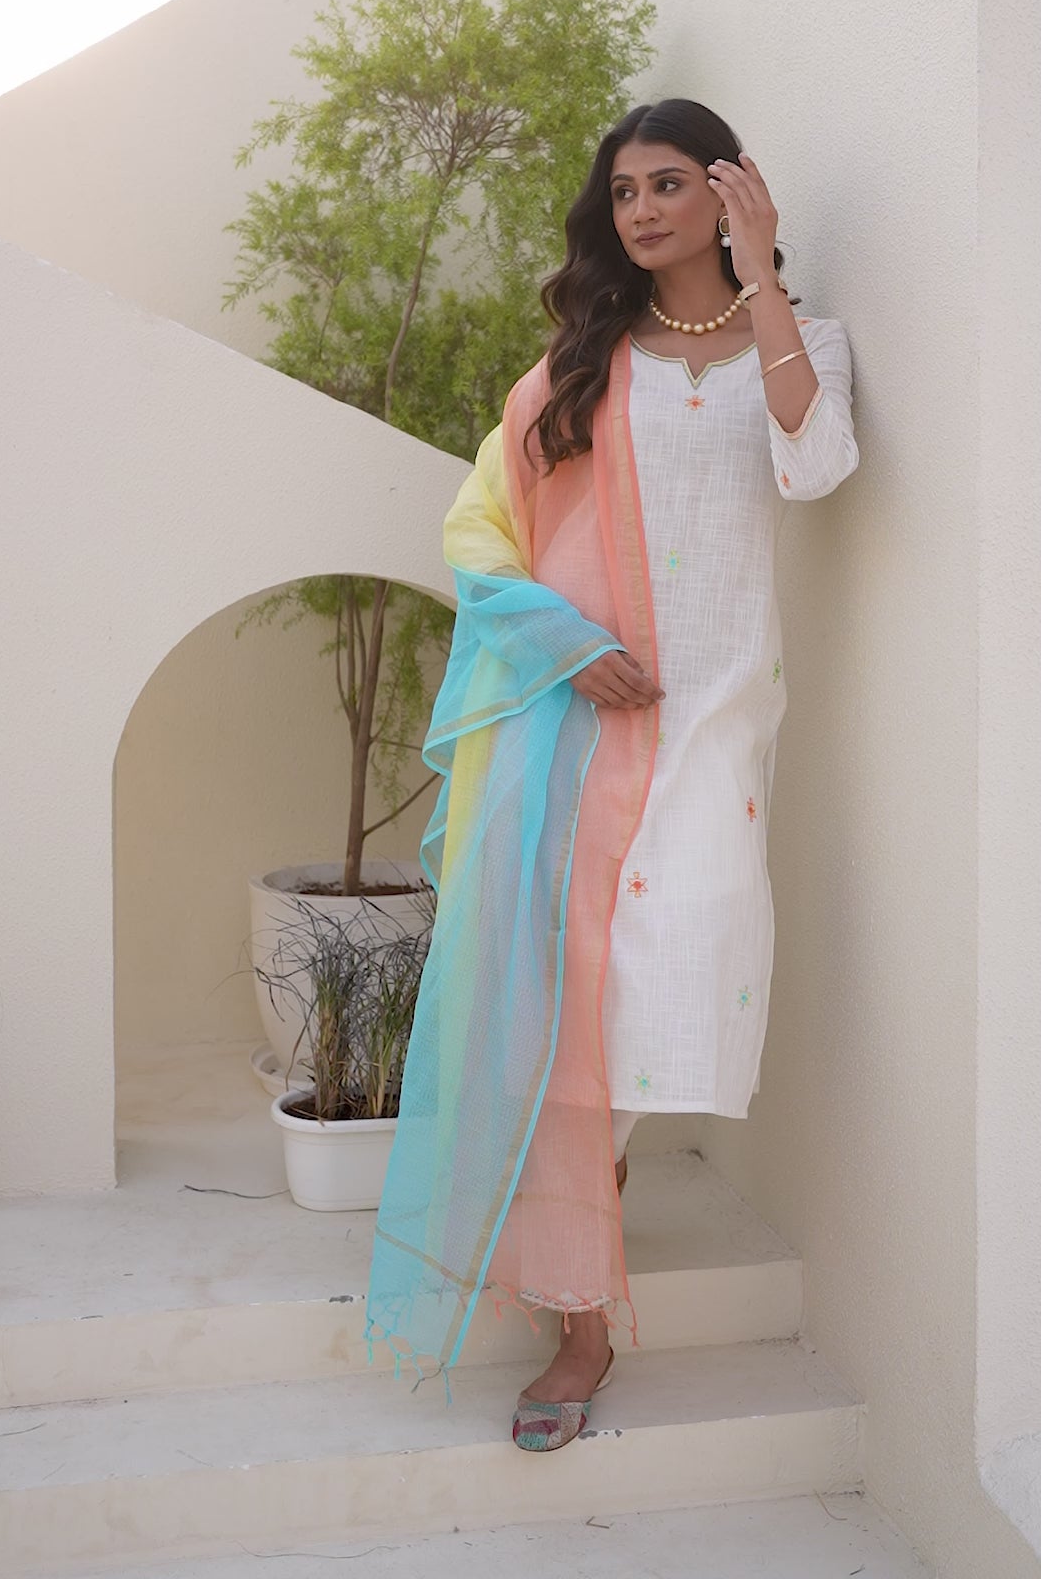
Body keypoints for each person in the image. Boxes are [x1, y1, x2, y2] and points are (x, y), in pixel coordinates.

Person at [363, 97, 860, 1454]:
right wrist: (566, 645)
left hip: (715, 734)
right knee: (573, 1010)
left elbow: (817, 465)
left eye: (669, 183)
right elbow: (481, 530)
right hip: (581, 730)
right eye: (624, 190)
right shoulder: (582, 366)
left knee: (661, 983)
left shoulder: (801, 341)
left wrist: (761, 281)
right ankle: (580, 1318)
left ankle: (570, 1247)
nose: (641, 210)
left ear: (729, 192)